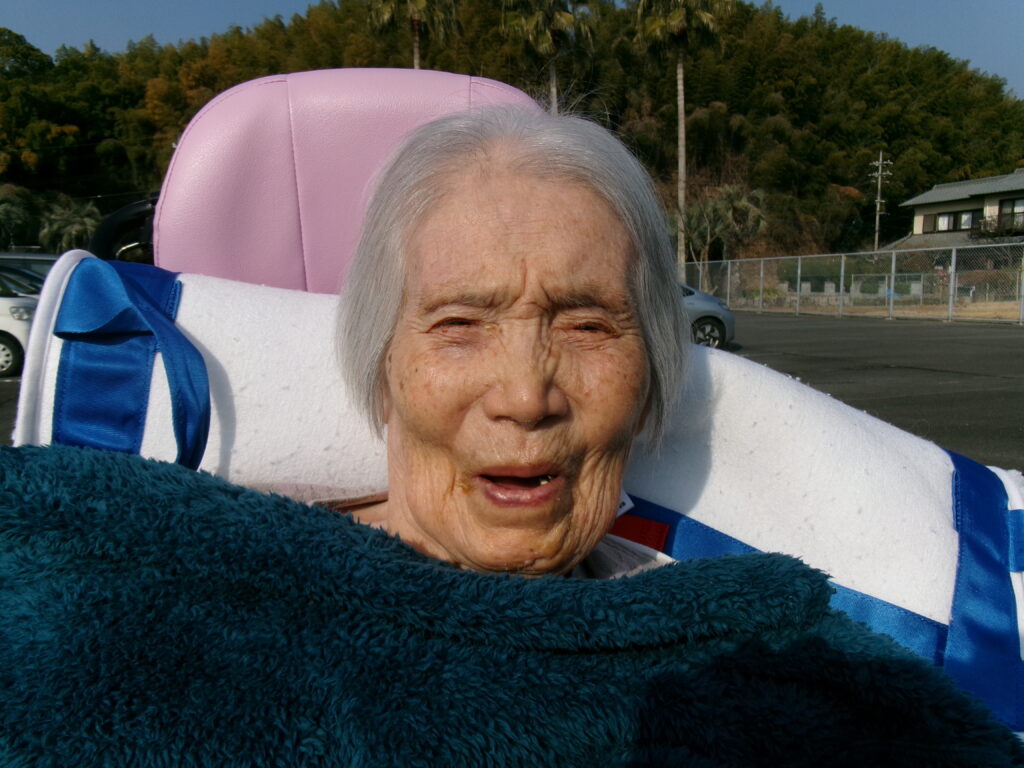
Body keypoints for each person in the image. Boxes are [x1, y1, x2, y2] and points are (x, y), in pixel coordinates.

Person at [339, 105, 686, 577]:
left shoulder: (703, 612)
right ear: (381, 368)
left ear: (649, 383)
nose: (526, 401)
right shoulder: (256, 579)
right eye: (459, 324)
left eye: (586, 327)